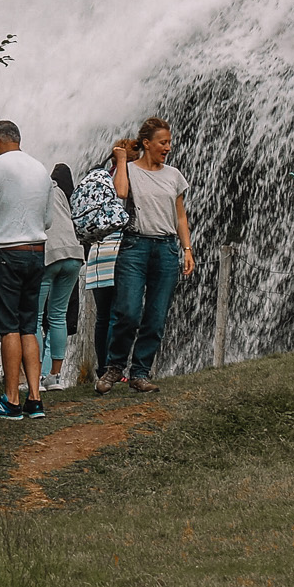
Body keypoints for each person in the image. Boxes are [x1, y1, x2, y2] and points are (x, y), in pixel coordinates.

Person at [0, 120, 54, 420]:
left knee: (9, 327)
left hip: (7, 254)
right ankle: (36, 399)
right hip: (36, 253)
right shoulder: (41, 168)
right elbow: (48, 221)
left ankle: (12, 401)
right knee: (29, 326)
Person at [97, 116, 194, 393]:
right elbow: (121, 192)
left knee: (156, 316)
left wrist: (187, 250)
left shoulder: (174, 175)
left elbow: (181, 216)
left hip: (166, 249)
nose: (168, 147)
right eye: (163, 142)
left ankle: (140, 372)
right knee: (127, 312)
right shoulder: (129, 169)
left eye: (170, 142)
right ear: (147, 143)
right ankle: (114, 367)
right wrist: (120, 159)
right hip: (134, 246)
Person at [73, 139, 135, 378]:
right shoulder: (121, 180)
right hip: (119, 250)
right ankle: (113, 369)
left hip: (98, 251)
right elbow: (125, 201)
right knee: (118, 315)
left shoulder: (98, 179)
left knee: (103, 316)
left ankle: (103, 369)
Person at [36, 163, 85, 390]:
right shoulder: (59, 192)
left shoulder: (33, 190)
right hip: (74, 254)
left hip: (49, 254)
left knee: (35, 318)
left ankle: (35, 377)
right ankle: (55, 377)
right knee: (58, 316)